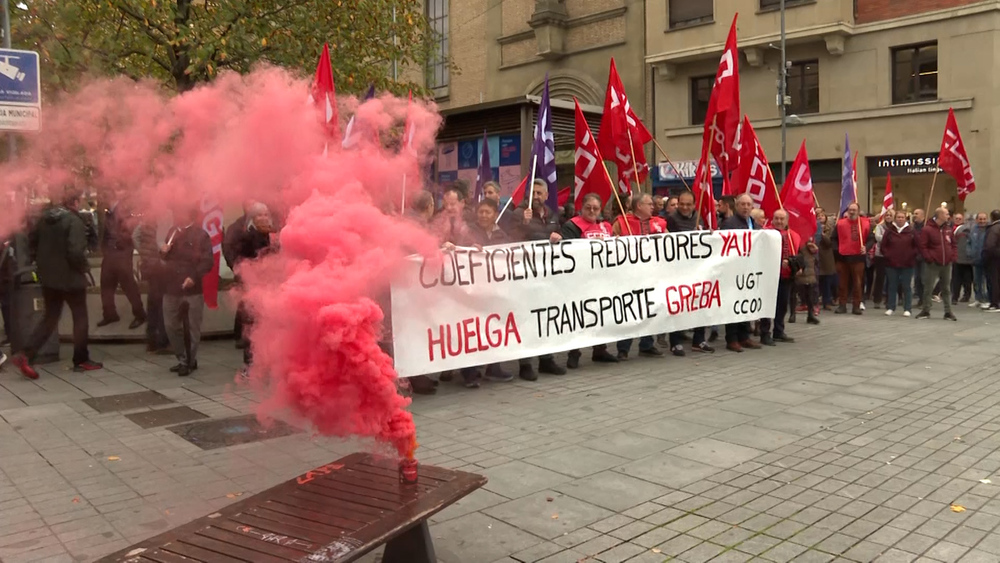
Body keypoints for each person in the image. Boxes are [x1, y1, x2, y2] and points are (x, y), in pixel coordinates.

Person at [10, 190, 103, 379]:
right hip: (70, 278)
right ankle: (81, 359)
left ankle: (27, 354)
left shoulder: (44, 219)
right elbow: (75, 252)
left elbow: (32, 242)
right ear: (76, 202)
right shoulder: (74, 221)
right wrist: (84, 268)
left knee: (50, 317)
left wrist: (42, 263)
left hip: (49, 278)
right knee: (80, 318)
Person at [512, 180, 566, 380]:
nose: (535, 196)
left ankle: (546, 359)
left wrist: (558, 236)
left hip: (547, 275)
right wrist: (523, 224)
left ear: (546, 195)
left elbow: (560, 234)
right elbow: (509, 239)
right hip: (526, 274)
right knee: (527, 318)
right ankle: (525, 363)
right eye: (532, 192)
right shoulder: (518, 214)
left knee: (546, 317)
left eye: (539, 193)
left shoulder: (552, 214)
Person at [560, 194, 620, 369]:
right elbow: (570, 249)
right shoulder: (572, 225)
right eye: (588, 207)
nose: (592, 211)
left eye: (595, 208)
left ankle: (600, 349)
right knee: (579, 316)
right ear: (582, 207)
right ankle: (574, 353)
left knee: (601, 314)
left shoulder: (606, 226)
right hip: (580, 279)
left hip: (601, 278)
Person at [161, 206, 215, 376]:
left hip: (192, 289)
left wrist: (194, 276)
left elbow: (207, 261)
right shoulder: (172, 232)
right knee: (171, 325)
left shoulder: (200, 235)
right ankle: (182, 356)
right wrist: (162, 253)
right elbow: (165, 258)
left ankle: (188, 361)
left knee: (192, 327)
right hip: (171, 286)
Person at [612, 193, 666, 360]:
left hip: (652, 273)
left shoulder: (659, 223)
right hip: (629, 276)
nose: (653, 207)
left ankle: (647, 344)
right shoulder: (621, 222)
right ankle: (623, 348)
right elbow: (611, 243)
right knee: (628, 310)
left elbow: (673, 242)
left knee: (651, 309)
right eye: (649, 204)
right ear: (639, 206)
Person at [666, 190, 715, 354]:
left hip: (698, 269)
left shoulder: (699, 218)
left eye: (689, 204)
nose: (685, 207)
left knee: (701, 303)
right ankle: (675, 341)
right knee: (677, 305)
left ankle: (699, 340)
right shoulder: (671, 220)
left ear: (694, 205)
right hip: (678, 270)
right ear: (677, 203)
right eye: (682, 204)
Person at [232, 204, 277, 378]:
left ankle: (268, 363)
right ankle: (250, 364)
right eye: (259, 215)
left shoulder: (274, 236)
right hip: (252, 288)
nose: (264, 218)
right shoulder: (246, 237)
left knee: (269, 327)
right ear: (253, 218)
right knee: (251, 328)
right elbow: (240, 262)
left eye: (266, 214)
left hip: (271, 288)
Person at [97, 196, 146, 329]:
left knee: (128, 284)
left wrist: (123, 242)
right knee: (106, 284)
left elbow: (132, 229)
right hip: (110, 253)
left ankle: (140, 314)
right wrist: (104, 248)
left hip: (122, 252)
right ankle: (109, 314)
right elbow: (105, 232)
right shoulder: (108, 211)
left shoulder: (125, 209)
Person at [721, 194, 761, 353]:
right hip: (734, 270)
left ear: (752, 207)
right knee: (734, 305)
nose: (745, 207)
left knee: (746, 304)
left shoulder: (754, 223)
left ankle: (744, 336)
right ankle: (732, 339)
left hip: (750, 270)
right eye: (742, 204)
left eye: (748, 204)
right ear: (736, 206)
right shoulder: (729, 224)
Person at [760, 210, 798, 346]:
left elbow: (798, 254)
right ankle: (764, 333)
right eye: (776, 218)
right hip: (769, 275)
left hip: (786, 275)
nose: (779, 221)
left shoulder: (793, 235)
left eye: (782, 219)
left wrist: (796, 264)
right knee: (767, 306)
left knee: (782, 305)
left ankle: (779, 331)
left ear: (787, 220)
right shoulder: (765, 233)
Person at [133, 214, 170, 353]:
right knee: (161, 303)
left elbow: (134, 236)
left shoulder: (145, 220)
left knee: (153, 302)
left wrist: (144, 253)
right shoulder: (163, 218)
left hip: (149, 265)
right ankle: (162, 341)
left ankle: (151, 339)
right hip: (160, 265)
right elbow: (161, 242)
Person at [915, 207, 958, 321]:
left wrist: (953, 256)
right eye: (946, 214)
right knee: (928, 288)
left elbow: (953, 244)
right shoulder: (927, 229)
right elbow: (923, 246)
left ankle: (948, 312)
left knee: (946, 288)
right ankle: (926, 310)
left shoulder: (948, 229)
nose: (948, 216)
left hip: (947, 263)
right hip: (933, 263)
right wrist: (929, 258)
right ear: (939, 215)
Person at [223, 200, 255, 347]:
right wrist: (236, 266)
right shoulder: (237, 227)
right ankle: (241, 335)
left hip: (260, 272)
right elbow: (228, 247)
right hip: (244, 270)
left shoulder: (264, 225)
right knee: (243, 303)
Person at [831, 203, 870, 315]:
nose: (852, 212)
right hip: (842, 257)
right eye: (850, 210)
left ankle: (856, 306)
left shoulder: (865, 223)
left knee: (858, 283)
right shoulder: (840, 224)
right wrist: (837, 250)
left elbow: (871, 239)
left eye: (854, 210)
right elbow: (833, 239)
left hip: (858, 257)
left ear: (858, 211)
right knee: (842, 283)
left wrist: (866, 247)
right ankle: (842, 305)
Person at [881, 210, 917, 317]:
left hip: (908, 264)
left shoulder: (911, 231)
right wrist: (888, 255)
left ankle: (907, 308)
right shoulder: (889, 231)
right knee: (892, 286)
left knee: (906, 286)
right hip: (891, 264)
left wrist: (911, 255)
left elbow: (917, 246)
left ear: (905, 219)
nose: (900, 219)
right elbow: (883, 246)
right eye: (898, 217)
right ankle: (891, 307)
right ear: (895, 219)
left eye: (902, 217)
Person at [789, 231, 820, 326]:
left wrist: (814, 249)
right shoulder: (791, 234)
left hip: (809, 265)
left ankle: (810, 314)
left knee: (809, 292)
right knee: (794, 291)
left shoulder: (809, 234)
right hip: (797, 265)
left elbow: (815, 253)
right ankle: (792, 314)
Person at [817, 211, 837, 310]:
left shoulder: (829, 229)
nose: (820, 217)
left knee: (827, 281)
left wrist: (822, 234)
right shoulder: (813, 228)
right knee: (816, 282)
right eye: (818, 216)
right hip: (816, 257)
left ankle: (827, 301)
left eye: (822, 216)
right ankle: (815, 302)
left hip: (826, 258)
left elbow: (829, 242)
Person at [952, 213, 974, 304]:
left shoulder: (960, 230)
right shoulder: (972, 230)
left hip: (965, 259)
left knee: (964, 280)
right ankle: (958, 296)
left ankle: (959, 297)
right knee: (960, 280)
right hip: (961, 258)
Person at [981, 210, 1000, 312]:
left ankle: (994, 303)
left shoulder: (993, 229)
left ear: (992, 217)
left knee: (993, 280)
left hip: (993, 258)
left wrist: (985, 256)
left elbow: (989, 245)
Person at [970, 212, 990, 308]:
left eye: (984, 219)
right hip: (976, 259)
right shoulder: (973, 230)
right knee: (977, 281)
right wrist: (969, 252)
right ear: (977, 220)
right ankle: (978, 298)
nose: (982, 221)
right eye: (980, 219)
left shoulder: (989, 230)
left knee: (988, 281)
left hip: (987, 260)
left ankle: (987, 299)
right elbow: (969, 242)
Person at [869, 215, 889, 309]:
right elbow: (878, 237)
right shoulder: (879, 226)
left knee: (891, 279)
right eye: (887, 215)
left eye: (890, 215)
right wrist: (890, 238)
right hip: (880, 255)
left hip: (892, 255)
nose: (888, 216)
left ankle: (890, 300)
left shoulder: (896, 227)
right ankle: (877, 300)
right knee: (879, 278)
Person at [911, 208, 926, 306]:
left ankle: (925, 300)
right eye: (914, 213)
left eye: (916, 213)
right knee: (917, 279)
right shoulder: (912, 227)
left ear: (922, 215)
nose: (914, 215)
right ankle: (920, 298)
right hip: (915, 256)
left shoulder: (926, 227)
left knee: (923, 279)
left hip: (924, 257)